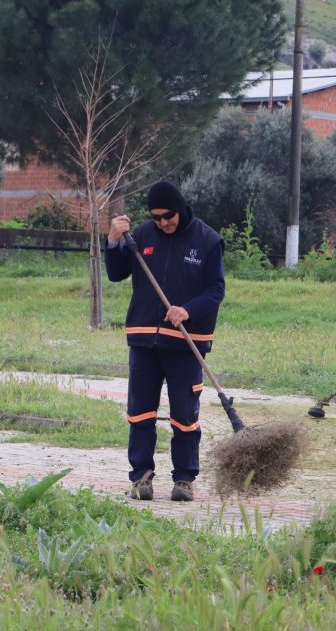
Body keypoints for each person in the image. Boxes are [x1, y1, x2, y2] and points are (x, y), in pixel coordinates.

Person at [105, 181, 225, 502]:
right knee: (140, 413)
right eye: (156, 217)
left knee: (184, 417)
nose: (162, 223)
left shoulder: (208, 240)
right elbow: (116, 274)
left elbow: (216, 289)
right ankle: (141, 477)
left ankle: (184, 479)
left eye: (167, 216)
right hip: (144, 339)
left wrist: (188, 310)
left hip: (186, 343)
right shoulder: (142, 235)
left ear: (180, 209)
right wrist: (113, 242)